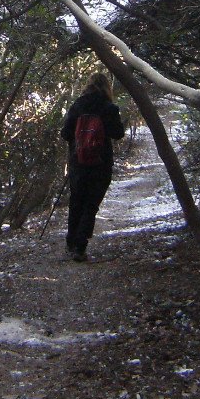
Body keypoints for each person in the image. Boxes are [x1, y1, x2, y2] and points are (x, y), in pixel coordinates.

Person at [59, 72, 126, 262]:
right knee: (91, 204)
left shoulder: (78, 105)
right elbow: (118, 133)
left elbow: (65, 133)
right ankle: (80, 246)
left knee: (76, 201)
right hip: (100, 162)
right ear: (106, 87)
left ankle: (71, 242)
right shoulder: (109, 107)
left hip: (77, 162)